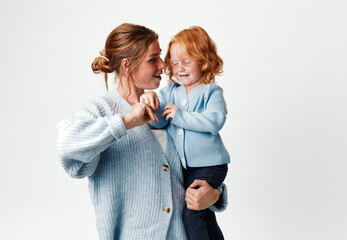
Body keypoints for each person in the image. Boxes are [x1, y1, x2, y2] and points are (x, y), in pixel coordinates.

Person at [55, 23, 227, 240]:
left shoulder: (168, 107)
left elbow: (187, 176)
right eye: (153, 59)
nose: (164, 65)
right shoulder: (104, 109)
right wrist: (127, 121)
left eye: (161, 57)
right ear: (127, 65)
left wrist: (215, 195)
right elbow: (66, 146)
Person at [140, 26, 230, 240]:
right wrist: (150, 100)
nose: (180, 68)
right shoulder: (170, 91)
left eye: (187, 61)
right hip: (184, 168)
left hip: (210, 165)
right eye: (174, 63)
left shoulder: (211, 91)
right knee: (203, 215)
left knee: (192, 214)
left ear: (204, 60)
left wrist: (180, 116)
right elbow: (160, 122)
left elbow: (215, 121)